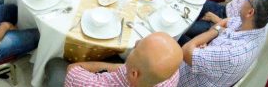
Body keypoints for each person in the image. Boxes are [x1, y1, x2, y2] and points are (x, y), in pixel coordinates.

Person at [178, 0, 268, 87]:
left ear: (250, 12)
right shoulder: (260, 25)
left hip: (182, 79)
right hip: (204, 56)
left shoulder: (232, 55)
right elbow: (226, 21)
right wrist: (211, 40)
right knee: (182, 31)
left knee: (174, 34)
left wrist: (213, 32)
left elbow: (186, 51)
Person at [46, 32, 182, 87]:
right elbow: (124, 69)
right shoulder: (172, 74)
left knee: (54, 64)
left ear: (134, 74)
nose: (136, 42)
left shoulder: (91, 84)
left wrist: (116, 67)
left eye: (137, 47)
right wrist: (122, 67)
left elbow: (73, 70)